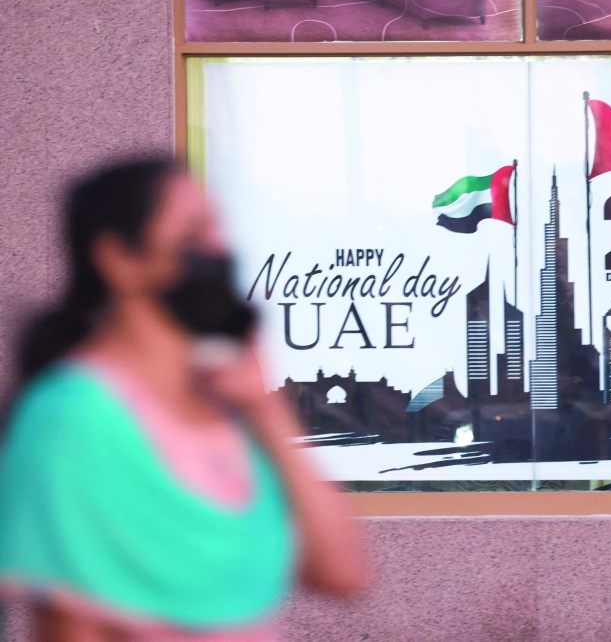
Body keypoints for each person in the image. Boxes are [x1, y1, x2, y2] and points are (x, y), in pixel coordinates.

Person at [0, 158, 368, 641]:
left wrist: (264, 405)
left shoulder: (228, 409)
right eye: (195, 232)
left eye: (219, 229)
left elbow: (343, 572)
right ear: (118, 259)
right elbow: (72, 623)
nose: (219, 249)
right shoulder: (74, 418)